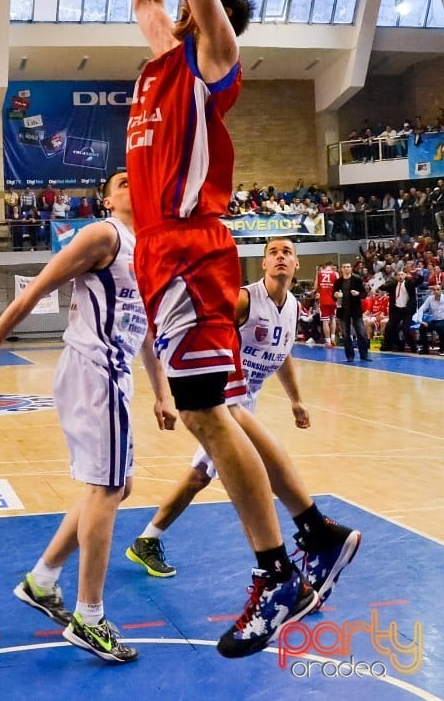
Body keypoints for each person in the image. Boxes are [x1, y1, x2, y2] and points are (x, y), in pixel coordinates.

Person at [127, 0, 324, 659]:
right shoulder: (163, 59)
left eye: (188, 2)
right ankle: (310, 536)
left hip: (190, 246)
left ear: (205, 14)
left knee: (213, 415)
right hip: (163, 255)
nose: (172, 10)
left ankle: (280, 569)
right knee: (220, 412)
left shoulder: (216, 59)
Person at [0, 171, 176, 664]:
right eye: (121, 180)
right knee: (106, 488)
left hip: (115, 372)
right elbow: (37, 287)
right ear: (106, 198)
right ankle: (89, 616)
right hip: (93, 367)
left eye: (135, 178)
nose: (131, 183)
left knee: (118, 487)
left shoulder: (147, 249)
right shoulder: (102, 235)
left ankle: (42, 581)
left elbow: (145, 330)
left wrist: (162, 392)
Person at [126, 238, 361, 608]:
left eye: (287, 253)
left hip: (245, 400)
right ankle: (278, 571)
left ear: (297, 264)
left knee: (206, 476)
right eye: (273, 253)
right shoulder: (244, 300)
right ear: (264, 264)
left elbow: (282, 356)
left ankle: (150, 540)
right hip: (223, 397)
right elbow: (211, 330)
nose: (280, 257)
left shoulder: (294, 306)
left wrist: (296, 400)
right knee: (245, 485)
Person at [332, 261, 371, 363]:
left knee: (361, 333)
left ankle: (364, 355)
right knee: (346, 335)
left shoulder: (357, 279)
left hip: (356, 310)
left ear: (350, 268)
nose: (346, 268)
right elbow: (333, 296)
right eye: (344, 267)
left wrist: (358, 293)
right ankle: (350, 356)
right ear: (342, 269)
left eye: (348, 267)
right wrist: (335, 295)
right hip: (343, 310)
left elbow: (364, 294)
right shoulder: (338, 282)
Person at [381, 268, 418, 352]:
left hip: (407, 310)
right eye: (398, 275)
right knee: (390, 328)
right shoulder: (393, 284)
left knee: (406, 330)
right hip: (396, 310)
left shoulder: (409, 283)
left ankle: (413, 346)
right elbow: (383, 287)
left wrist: (416, 275)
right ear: (396, 277)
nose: (400, 276)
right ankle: (397, 345)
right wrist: (375, 281)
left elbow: (418, 281)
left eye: (402, 274)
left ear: (404, 276)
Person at [413, 283, 444, 354]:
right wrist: (421, 321)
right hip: (435, 320)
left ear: (441, 291)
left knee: (439, 327)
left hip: (443, 320)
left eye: (438, 289)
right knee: (422, 327)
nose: (436, 291)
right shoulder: (430, 298)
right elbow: (422, 309)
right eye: (434, 290)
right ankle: (425, 349)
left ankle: (442, 349)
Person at [313, 262, 339, 346]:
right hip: (333, 299)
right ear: (331, 266)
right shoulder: (335, 273)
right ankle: (333, 339)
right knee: (333, 319)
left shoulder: (320, 273)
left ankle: (328, 342)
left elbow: (315, 287)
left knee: (325, 321)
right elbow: (339, 287)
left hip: (323, 300)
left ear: (324, 266)